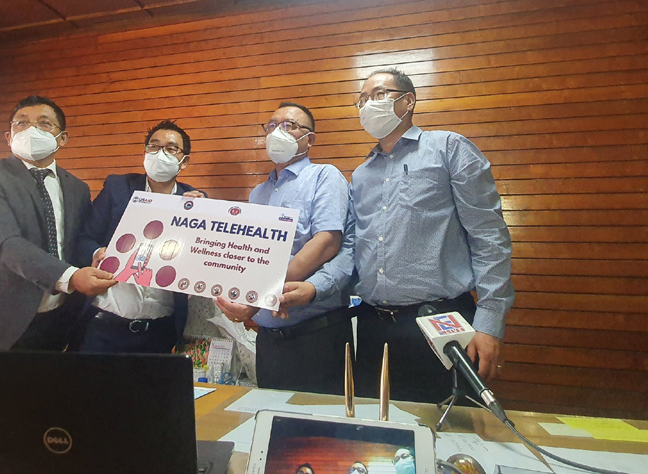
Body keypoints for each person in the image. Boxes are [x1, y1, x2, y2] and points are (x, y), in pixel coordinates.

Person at [280, 68, 514, 403]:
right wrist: (317, 287)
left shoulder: (448, 148)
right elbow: (353, 251)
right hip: (373, 328)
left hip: (442, 322)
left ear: (408, 101)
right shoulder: (361, 175)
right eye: (361, 99)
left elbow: (489, 237)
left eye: (378, 94)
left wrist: (489, 323)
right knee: (375, 425)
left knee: (449, 426)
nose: (367, 104)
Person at [0, 96, 116, 350]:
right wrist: (71, 277)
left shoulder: (77, 189)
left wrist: (95, 255)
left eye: (44, 123)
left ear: (62, 138)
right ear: (9, 137)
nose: (31, 129)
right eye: (22, 123)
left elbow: (75, 241)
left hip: (56, 318)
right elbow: (4, 243)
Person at [215, 102, 352, 394]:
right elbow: (252, 256)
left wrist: (261, 294)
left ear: (310, 139)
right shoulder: (259, 193)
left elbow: (327, 242)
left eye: (289, 125)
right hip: (269, 337)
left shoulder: (324, 176)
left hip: (316, 333)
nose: (278, 131)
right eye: (272, 125)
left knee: (320, 420)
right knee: (269, 414)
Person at [72, 120, 206, 353]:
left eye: (171, 148)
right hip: (105, 327)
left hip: (159, 332)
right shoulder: (118, 187)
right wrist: (96, 253)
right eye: (154, 146)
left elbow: (201, 258)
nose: (160, 153)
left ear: (184, 162)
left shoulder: (195, 200)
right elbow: (84, 238)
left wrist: (205, 218)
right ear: (145, 152)